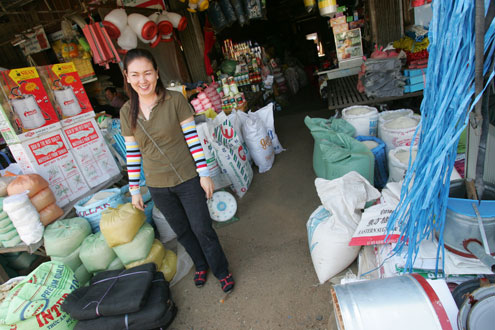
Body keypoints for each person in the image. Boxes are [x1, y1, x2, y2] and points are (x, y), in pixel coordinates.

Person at [119, 48, 234, 293]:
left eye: (148, 73)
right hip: (158, 186)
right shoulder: (126, 111)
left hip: (187, 179)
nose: (143, 80)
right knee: (181, 231)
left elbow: (193, 139)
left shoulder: (175, 100)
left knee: (202, 228)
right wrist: (134, 190)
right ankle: (201, 265)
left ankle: (221, 269)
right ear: (127, 77)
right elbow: (132, 153)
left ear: (157, 73)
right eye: (136, 75)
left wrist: (204, 174)